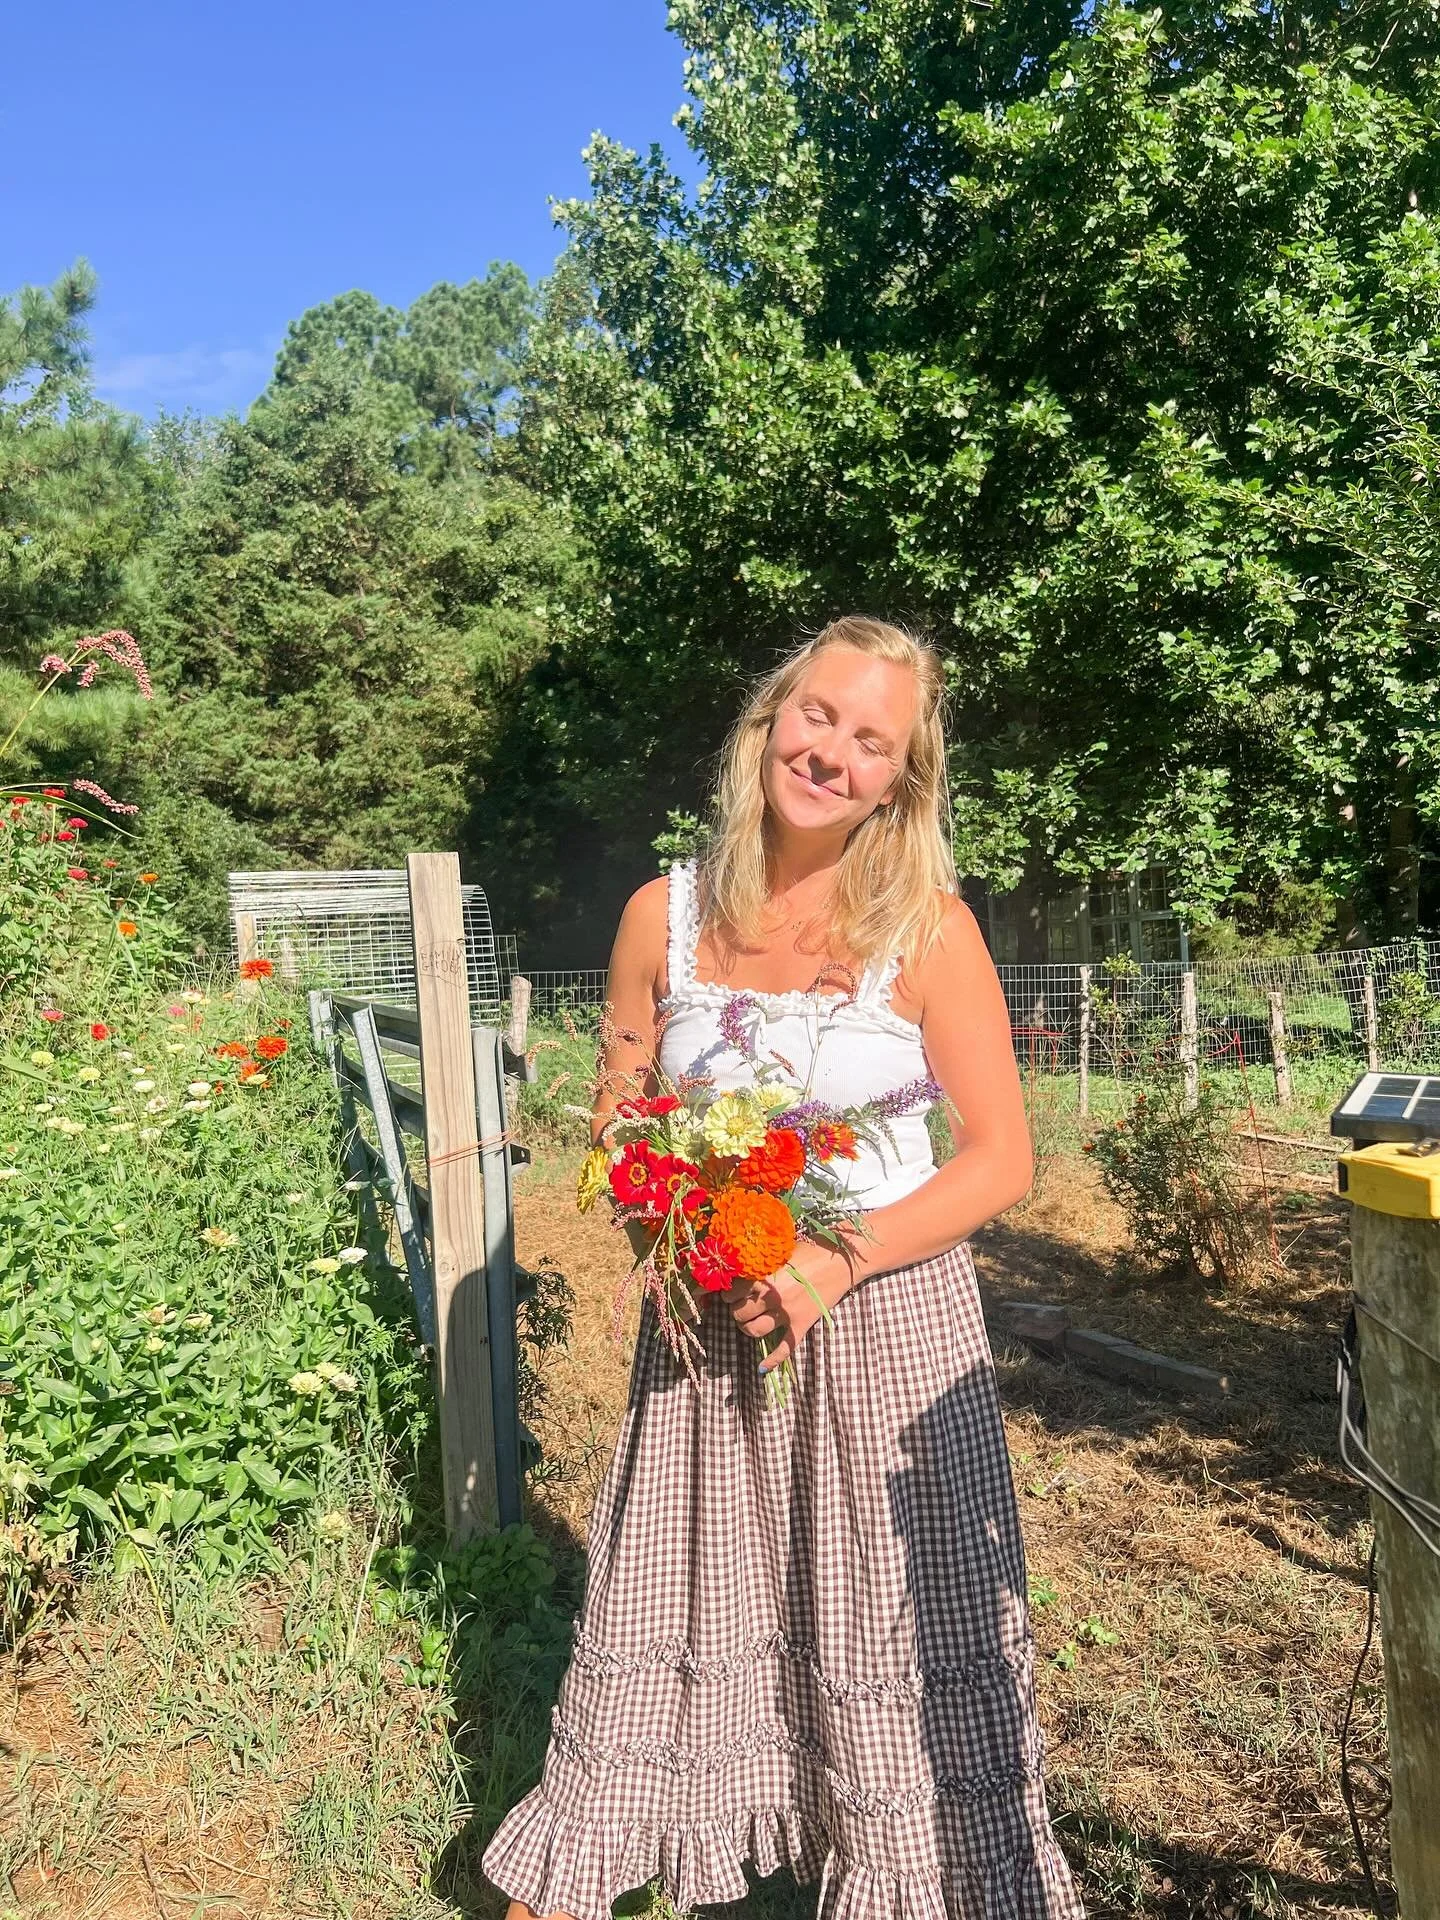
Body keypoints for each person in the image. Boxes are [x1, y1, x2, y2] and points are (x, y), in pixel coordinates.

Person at [483, 616, 1084, 1920]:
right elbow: (621, 1115)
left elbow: (1001, 1159)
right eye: (820, 716)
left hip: (889, 1324)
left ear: (900, 782)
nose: (833, 754)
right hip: (710, 1331)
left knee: (880, 1636)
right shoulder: (663, 914)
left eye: (873, 742)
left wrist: (827, 1262)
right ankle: (578, 1873)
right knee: (673, 1606)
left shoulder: (929, 930)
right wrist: (678, 1223)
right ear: (772, 718)